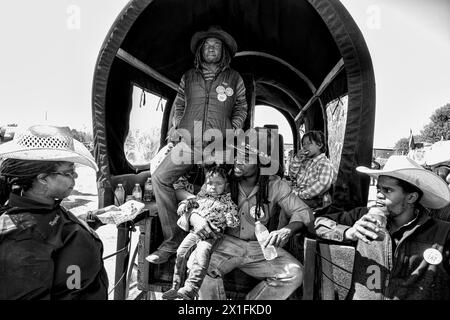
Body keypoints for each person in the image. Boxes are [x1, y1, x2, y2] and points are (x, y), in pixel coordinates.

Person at [148, 25, 247, 264]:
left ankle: (217, 244)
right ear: (201, 50)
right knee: (160, 177)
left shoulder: (234, 78)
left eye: (216, 46)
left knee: (224, 187)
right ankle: (172, 240)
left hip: (219, 144)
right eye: (207, 45)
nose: (211, 48)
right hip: (189, 142)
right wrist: (178, 128)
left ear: (223, 52)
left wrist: (231, 130)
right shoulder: (188, 77)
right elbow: (179, 105)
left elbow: (241, 107)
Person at [178, 128, 314, 300]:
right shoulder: (221, 179)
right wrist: (197, 219)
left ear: (260, 163)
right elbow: (196, 204)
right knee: (197, 267)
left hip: (260, 249)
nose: (238, 161)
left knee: (295, 273)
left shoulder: (275, 185)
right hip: (224, 243)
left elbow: (303, 212)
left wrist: (286, 230)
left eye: (246, 157)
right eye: (237, 155)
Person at [314, 155, 450, 300]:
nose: (379, 195)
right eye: (379, 189)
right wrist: (348, 232)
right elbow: (316, 224)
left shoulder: (443, 234)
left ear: (411, 197)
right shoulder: (363, 217)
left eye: (388, 190)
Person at [0, 125, 109, 300]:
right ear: (43, 179)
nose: (75, 176)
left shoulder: (45, 205)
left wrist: (91, 219)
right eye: (68, 172)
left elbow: (53, 227)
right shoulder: (21, 237)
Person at [160, 164, 239, 300]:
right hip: (195, 232)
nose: (213, 187)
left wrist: (231, 218)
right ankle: (176, 286)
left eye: (218, 183)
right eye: (210, 183)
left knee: (202, 254)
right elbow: (190, 202)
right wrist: (184, 205)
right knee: (181, 252)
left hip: (212, 235)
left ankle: (192, 288)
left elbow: (234, 223)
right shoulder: (202, 196)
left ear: (226, 185)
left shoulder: (228, 203)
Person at [289, 130, 335, 209]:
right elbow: (292, 175)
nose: (305, 147)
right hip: (300, 194)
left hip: (315, 200)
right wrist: (297, 159)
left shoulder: (324, 163)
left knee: (289, 204)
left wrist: (299, 194)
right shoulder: (304, 161)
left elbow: (321, 185)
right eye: (303, 144)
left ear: (319, 145)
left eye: (309, 143)